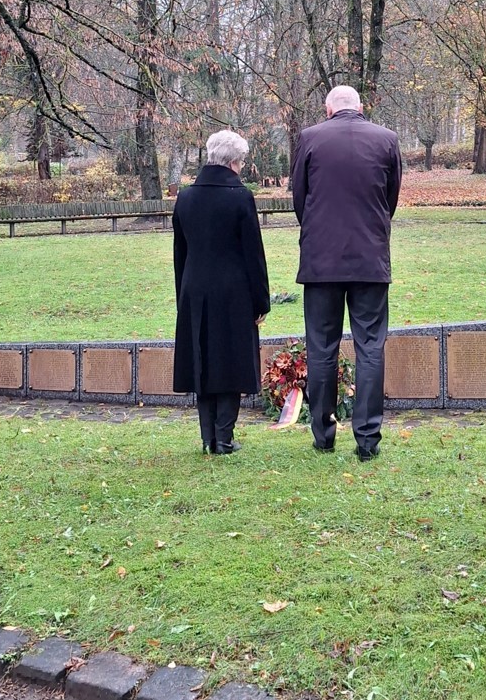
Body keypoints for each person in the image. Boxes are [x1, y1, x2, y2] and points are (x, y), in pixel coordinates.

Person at [291, 85, 402, 461]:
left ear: (328, 109)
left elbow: (299, 197)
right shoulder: (386, 140)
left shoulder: (309, 138)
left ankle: (323, 434)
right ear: (359, 108)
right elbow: (391, 199)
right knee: (370, 346)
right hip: (369, 259)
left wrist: (319, 234)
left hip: (322, 261)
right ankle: (367, 438)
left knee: (321, 347)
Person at [172, 130, 270, 455]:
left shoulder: (185, 198)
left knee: (203, 361)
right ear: (232, 162)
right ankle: (224, 438)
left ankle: (207, 438)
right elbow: (253, 255)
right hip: (234, 292)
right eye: (241, 161)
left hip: (194, 289)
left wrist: (181, 297)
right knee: (230, 361)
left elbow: (180, 254)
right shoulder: (241, 197)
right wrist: (261, 301)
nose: (241, 167)